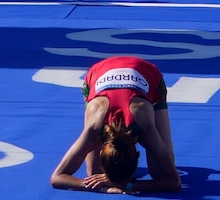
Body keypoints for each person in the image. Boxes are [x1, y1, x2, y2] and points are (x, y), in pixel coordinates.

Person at [51, 56, 181, 193]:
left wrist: (127, 185)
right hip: (98, 75)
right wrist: (109, 187)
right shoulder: (94, 129)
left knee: (157, 173)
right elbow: (56, 178)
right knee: (94, 173)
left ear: (137, 155)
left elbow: (174, 182)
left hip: (148, 74)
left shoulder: (144, 126)